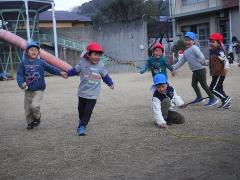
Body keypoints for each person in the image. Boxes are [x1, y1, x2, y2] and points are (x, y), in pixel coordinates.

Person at [16, 42, 68, 130]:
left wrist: (60, 72)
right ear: (27, 52)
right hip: (28, 89)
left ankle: (37, 117)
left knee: (34, 106)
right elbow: (19, 75)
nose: (34, 52)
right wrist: (21, 83)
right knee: (27, 109)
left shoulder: (41, 62)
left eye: (36, 50)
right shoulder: (24, 63)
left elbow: (51, 68)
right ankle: (30, 122)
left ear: (38, 53)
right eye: (31, 50)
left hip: (39, 89)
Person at [67, 42, 114, 136]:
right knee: (81, 109)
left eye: (99, 55)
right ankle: (82, 120)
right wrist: (67, 74)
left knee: (88, 110)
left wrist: (110, 83)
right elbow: (75, 70)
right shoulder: (83, 63)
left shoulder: (101, 65)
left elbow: (105, 75)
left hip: (93, 93)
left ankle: (82, 126)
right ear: (88, 54)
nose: (97, 57)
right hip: (82, 92)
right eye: (95, 54)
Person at [173, 31, 218, 107]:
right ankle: (199, 97)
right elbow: (181, 61)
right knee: (194, 84)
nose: (187, 41)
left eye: (189, 40)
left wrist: (202, 61)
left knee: (203, 85)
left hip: (200, 69)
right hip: (195, 70)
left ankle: (213, 99)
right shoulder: (186, 51)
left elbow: (201, 55)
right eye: (186, 40)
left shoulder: (194, 48)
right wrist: (174, 67)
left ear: (194, 41)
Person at [202, 33, 231, 109]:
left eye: (213, 41)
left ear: (219, 43)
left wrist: (226, 67)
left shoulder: (219, 51)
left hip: (219, 73)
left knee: (213, 88)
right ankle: (226, 103)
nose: (211, 43)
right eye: (210, 41)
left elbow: (225, 60)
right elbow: (212, 62)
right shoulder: (212, 51)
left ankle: (225, 98)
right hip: (215, 73)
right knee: (219, 89)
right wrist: (205, 63)